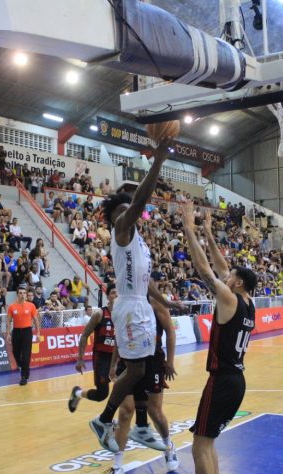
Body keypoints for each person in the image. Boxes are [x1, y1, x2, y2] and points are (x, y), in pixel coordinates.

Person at [88, 137, 174, 453]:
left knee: (144, 365)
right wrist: (158, 162)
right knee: (136, 369)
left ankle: (139, 425)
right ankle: (104, 419)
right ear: (115, 218)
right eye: (122, 210)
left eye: (128, 209)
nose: (128, 213)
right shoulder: (121, 230)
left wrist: (165, 301)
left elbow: (145, 280)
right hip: (129, 307)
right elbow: (137, 204)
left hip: (141, 305)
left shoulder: (140, 243)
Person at [181, 200, 257, 474]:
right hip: (237, 380)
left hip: (222, 380)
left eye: (231, 276)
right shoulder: (248, 302)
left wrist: (189, 229)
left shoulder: (228, 298)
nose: (226, 276)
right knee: (208, 441)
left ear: (236, 283)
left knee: (199, 445)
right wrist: (209, 233)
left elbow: (205, 270)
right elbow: (222, 268)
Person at [102, 295, 180, 474]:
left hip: (153, 360)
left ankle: (168, 446)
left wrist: (170, 361)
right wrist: (113, 365)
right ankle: (117, 467)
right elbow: (120, 337)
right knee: (125, 411)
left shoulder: (156, 303)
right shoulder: (123, 303)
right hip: (129, 359)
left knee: (155, 411)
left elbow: (170, 332)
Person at [69, 284, 118, 411]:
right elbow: (85, 335)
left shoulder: (124, 314)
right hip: (102, 357)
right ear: (108, 296)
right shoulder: (100, 314)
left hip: (118, 357)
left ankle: (112, 418)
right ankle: (78, 393)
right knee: (102, 394)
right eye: (113, 293)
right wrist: (80, 358)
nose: (116, 295)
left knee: (126, 389)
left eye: (118, 293)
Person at [5, 286, 41, 386]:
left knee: (26, 354)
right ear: (17, 294)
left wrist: (38, 333)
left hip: (27, 331)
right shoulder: (12, 306)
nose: (22, 295)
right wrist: (8, 334)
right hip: (16, 331)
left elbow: (36, 320)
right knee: (15, 352)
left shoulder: (31, 306)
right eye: (20, 293)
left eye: (24, 293)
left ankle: (24, 376)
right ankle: (22, 365)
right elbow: (8, 321)